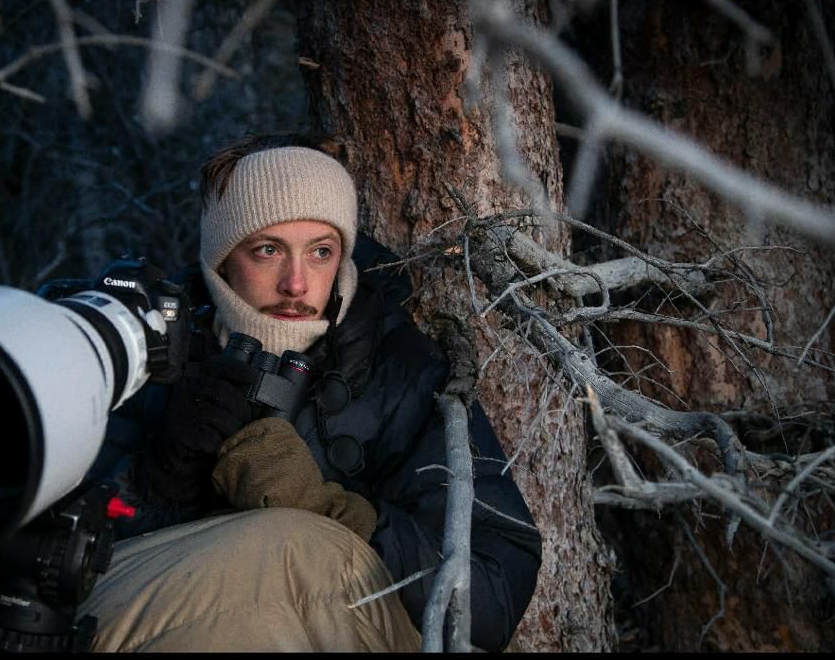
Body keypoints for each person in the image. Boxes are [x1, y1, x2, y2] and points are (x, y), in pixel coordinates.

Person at [67, 133, 543, 652]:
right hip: (158, 620)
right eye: (268, 250)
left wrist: (331, 510)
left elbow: (492, 598)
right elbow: (42, 562)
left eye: (320, 252)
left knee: (289, 546)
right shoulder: (150, 349)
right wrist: (160, 480)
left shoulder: (399, 370)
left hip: (351, 629)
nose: (297, 283)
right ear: (222, 260)